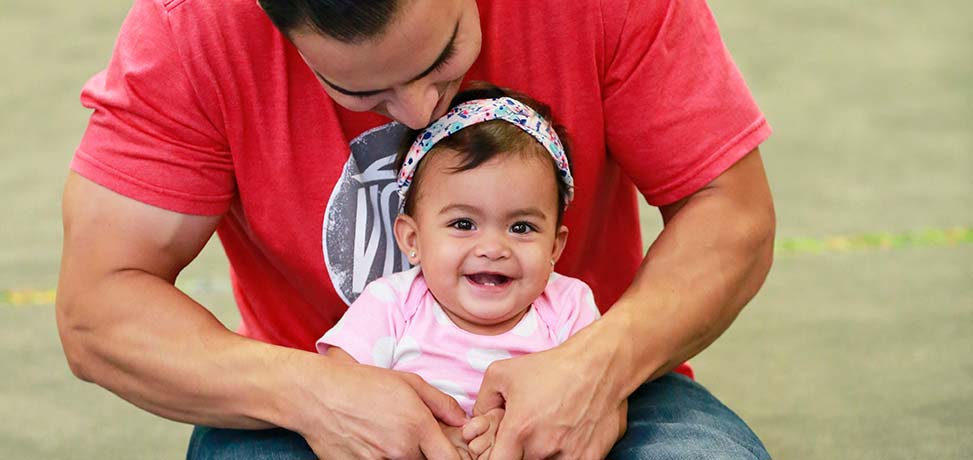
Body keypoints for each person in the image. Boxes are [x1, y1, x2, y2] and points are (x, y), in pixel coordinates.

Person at [56, 0, 776, 458]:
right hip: (306, 407)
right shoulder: (192, 31)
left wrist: (595, 372)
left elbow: (729, 208)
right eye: (362, 91)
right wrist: (315, 394)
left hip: (596, 385)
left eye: (441, 58)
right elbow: (99, 308)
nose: (422, 115)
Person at [317, 85, 615, 459]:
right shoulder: (393, 303)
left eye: (521, 227)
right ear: (413, 239)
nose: (492, 248)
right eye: (463, 224)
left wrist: (512, 430)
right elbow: (340, 385)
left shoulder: (569, 306)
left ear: (555, 246)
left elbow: (605, 404)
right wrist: (431, 432)